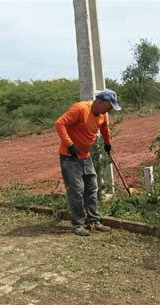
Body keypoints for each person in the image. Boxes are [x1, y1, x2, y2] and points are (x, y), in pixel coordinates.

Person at [54, 89, 121, 236]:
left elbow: (104, 128)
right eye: (109, 106)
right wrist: (70, 144)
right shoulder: (80, 108)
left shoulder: (103, 114)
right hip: (69, 157)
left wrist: (107, 143)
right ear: (100, 102)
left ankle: (94, 221)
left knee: (92, 188)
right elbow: (59, 124)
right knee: (76, 191)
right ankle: (78, 224)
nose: (110, 110)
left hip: (86, 156)